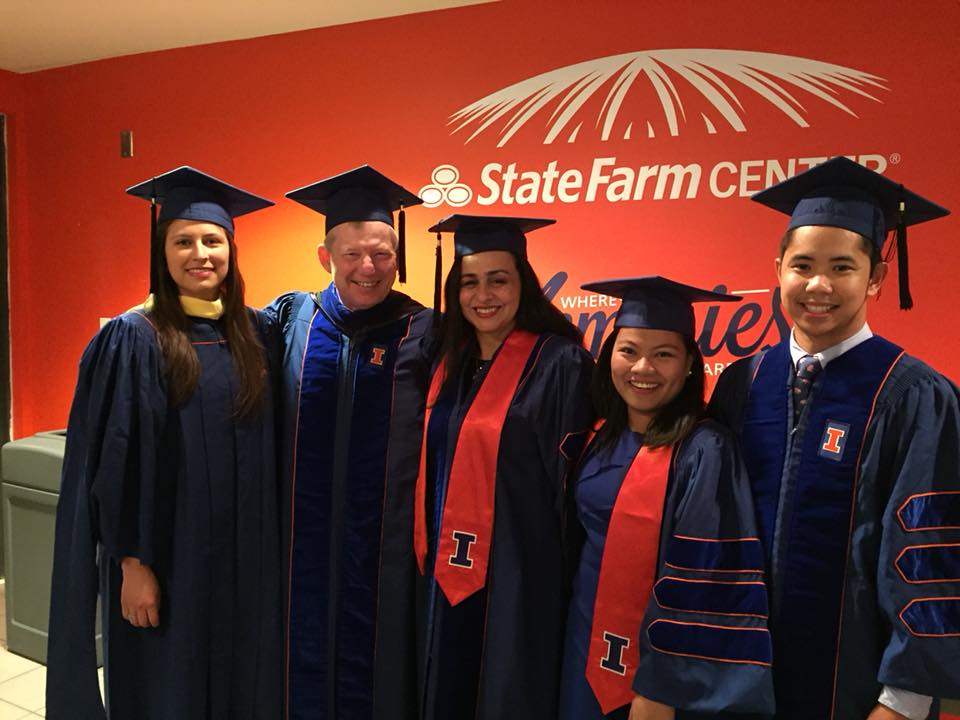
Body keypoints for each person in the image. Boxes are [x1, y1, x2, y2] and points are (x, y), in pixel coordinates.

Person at [709, 156, 960, 720]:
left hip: (861, 690)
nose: (818, 285)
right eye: (802, 266)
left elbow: (933, 554)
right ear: (778, 271)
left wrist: (903, 700)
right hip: (734, 682)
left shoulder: (915, 396)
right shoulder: (742, 385)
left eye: (842, 267)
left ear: (875, 277)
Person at [46, 167, 281, 720]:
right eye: (183, 241)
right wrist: (134, 564)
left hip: (245, 564)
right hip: (167, 562)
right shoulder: (134, 337)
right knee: (167, 690)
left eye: (212, 240)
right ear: (163, 251)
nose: (200, 254)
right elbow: (116, 463)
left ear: (231, 249)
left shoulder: (254, 332)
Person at [558, 276, 775, 720]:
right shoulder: (596, 436)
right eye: (629, 351)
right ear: (609, 356)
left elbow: (707, 578)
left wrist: (663, 687)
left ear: (690, 365)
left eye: (663, 355)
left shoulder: (705, 449)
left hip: (659, 670)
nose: (642, 369)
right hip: (583, 643)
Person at [413, 214, 595, 720]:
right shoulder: (448, 360)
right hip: (443, 572)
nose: (483, 294)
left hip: (520, 574)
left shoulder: (560, 364)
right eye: (469, 282)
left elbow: (574, 488)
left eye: (499, 279)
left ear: (523, 284)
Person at [267, 165, 432, 720]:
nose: (369, 268)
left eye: (382, 254)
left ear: (397, 255)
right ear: (325, 257)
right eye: (353, 254)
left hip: (387, 556)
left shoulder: (424, 332)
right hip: (298, 550)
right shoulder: (291, 321)